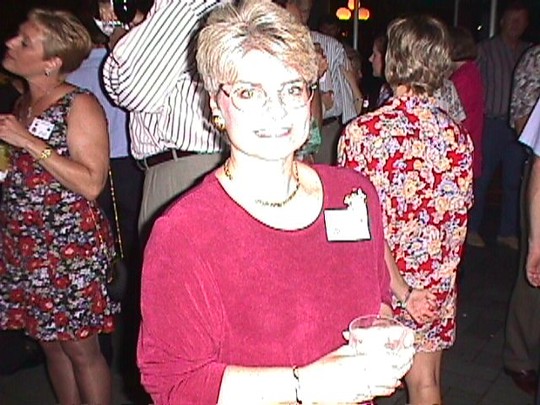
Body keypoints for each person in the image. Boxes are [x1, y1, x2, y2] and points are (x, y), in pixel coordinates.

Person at [137, 1, 415, 403]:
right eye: (249, 92)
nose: (276, 110)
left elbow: (377, 304)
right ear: (215, 105)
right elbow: (175, 386)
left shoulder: (353, 195)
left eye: (292, 89)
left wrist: (384, 337)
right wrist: (307, 385)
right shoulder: (186, 232)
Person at [338, 15, 474, 404]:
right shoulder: (457, 137)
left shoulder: (363, 134)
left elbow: (358, 224)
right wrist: (432, 287)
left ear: (395, 60)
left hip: (378, 279)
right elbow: (456, 219)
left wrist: (401, 288)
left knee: (360, 385)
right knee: (426, 382)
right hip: (432, 285)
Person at [0, 9, 118, 405]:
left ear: (51, 62)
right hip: (26, 244)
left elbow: (92, 182)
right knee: (51, 345)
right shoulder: (21, 106)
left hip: (69, 247)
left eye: (25, 42)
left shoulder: (78, 104)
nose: (11, 43)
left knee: (81, 350)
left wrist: (28, 142)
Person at [102, 0, 226, 241]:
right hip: (189, 165)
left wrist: (120, 39)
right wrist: (142, 26)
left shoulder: (184, 4)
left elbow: (132, 89)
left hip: (183, 172)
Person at [467, 1, 530, 250]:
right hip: (492, 124)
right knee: (481, 179)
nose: (516, 24)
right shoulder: (485, 50)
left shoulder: (528, 52)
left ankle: (508, 231)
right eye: (512, 19)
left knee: (515, 182)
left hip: (519, 127)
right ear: (502, 21)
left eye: (520, 20)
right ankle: (472, 228)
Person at [503, 44, 540, 396]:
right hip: (537, 174)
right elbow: (521, 119)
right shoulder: (534, 58)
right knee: (532, 274)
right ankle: (519, 356)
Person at [289, 0, 356, 165]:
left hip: (326, 131)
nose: (301, 19)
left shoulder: (331, 46)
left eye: (305, 11)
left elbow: (345, 98)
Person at [449, 26, 485, 180]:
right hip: (469, 146)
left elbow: (455, 118)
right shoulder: (469, 72)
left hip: (464, 149)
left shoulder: (463, 78)